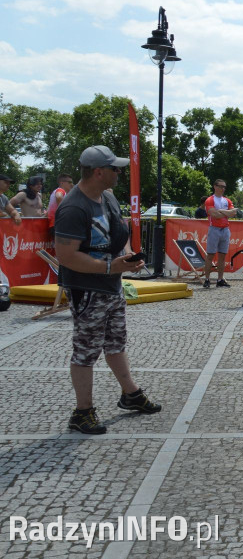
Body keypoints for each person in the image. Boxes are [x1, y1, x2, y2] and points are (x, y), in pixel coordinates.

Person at [54, 145, 160, 435]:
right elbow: (66, 256)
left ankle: (130, 394)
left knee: (116, 341)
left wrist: (126, 259)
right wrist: (110, 267)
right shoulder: (74, 207)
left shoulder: (108, 198)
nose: (119, 172)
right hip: (87, 288)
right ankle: (82, 411)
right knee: (86, 349)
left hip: (111, 285)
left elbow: (119, 235)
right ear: (98, 172)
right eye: (114, 168)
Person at [202, 179, 237, 288]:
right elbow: (214, 214)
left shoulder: (227, 200)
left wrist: (221, 211)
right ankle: (207, 279)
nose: (222, 189)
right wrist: (226, 213)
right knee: (210, 255)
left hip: (225, 229)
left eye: (224, 187)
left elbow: (234, 213)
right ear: (215, 186)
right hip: (214, 229)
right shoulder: (209, 200)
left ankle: (220, 279)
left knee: (222, 256)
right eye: (221, 186)